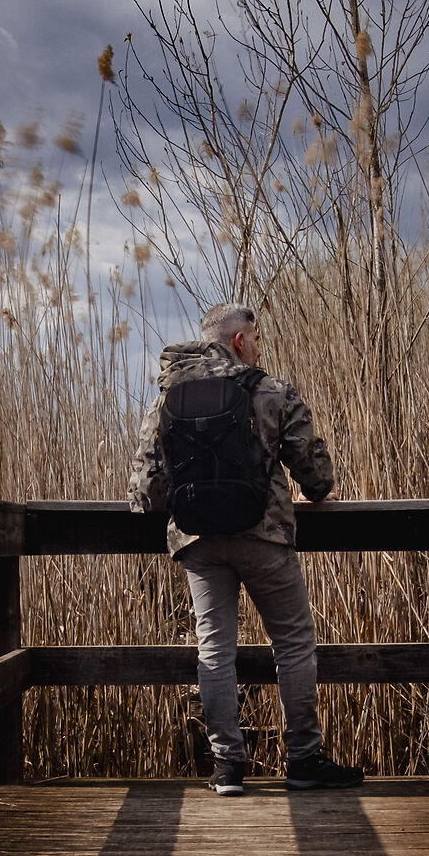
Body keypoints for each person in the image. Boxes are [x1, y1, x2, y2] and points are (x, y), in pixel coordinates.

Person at [129, 301, 365, 796]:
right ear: (239, 341)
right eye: (256, 338)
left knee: (215, 650)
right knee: (294, 644)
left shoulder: (169, 395)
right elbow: (317, 476)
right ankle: (302, 759)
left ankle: (227, 767)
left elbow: (146, 490)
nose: (259, 347)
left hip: (198, 541)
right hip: (264, 537)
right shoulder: (271, 391)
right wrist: (313, 494)